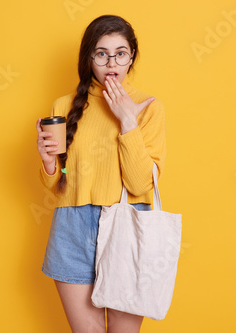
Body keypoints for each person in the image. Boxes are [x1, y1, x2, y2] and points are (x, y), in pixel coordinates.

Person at [35, 15, 166, 332]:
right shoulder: (63, 106)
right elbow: (59, 183)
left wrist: (127, 122)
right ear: (89, 58)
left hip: (128, 224)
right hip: (72, 230)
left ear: (131, 56)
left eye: (120, 53)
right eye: (101, 53)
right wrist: (50, 163)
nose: (112, 63)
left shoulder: (147, 107)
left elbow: (139, 183)